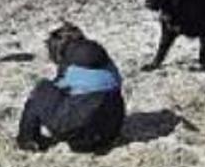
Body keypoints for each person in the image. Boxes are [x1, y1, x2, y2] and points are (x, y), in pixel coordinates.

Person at [17, 21, 124, 152]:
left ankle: (27, 139)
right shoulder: (104, 59)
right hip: (110, 133)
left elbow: (55, 91)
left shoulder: (70, 63)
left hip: (81, 140)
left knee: (42, 89)